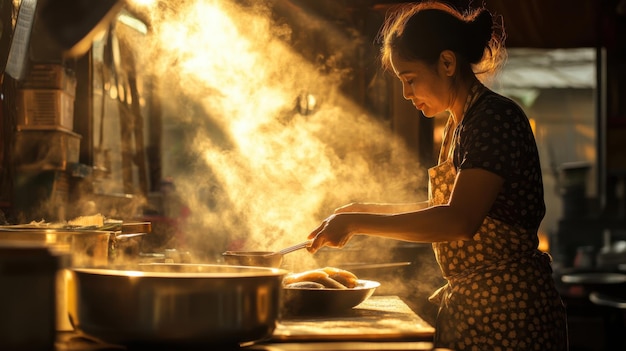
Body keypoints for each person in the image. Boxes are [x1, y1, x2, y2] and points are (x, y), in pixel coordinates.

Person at [306, 2, 568, 350]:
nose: (406, 93)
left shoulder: (494, 118)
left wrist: (357, 222)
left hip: (511, 312)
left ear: (447, 63)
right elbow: (440, 207)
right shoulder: (458, 124)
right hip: (476, 310)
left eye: (410, 79)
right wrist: (358, 209)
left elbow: (458, 220)